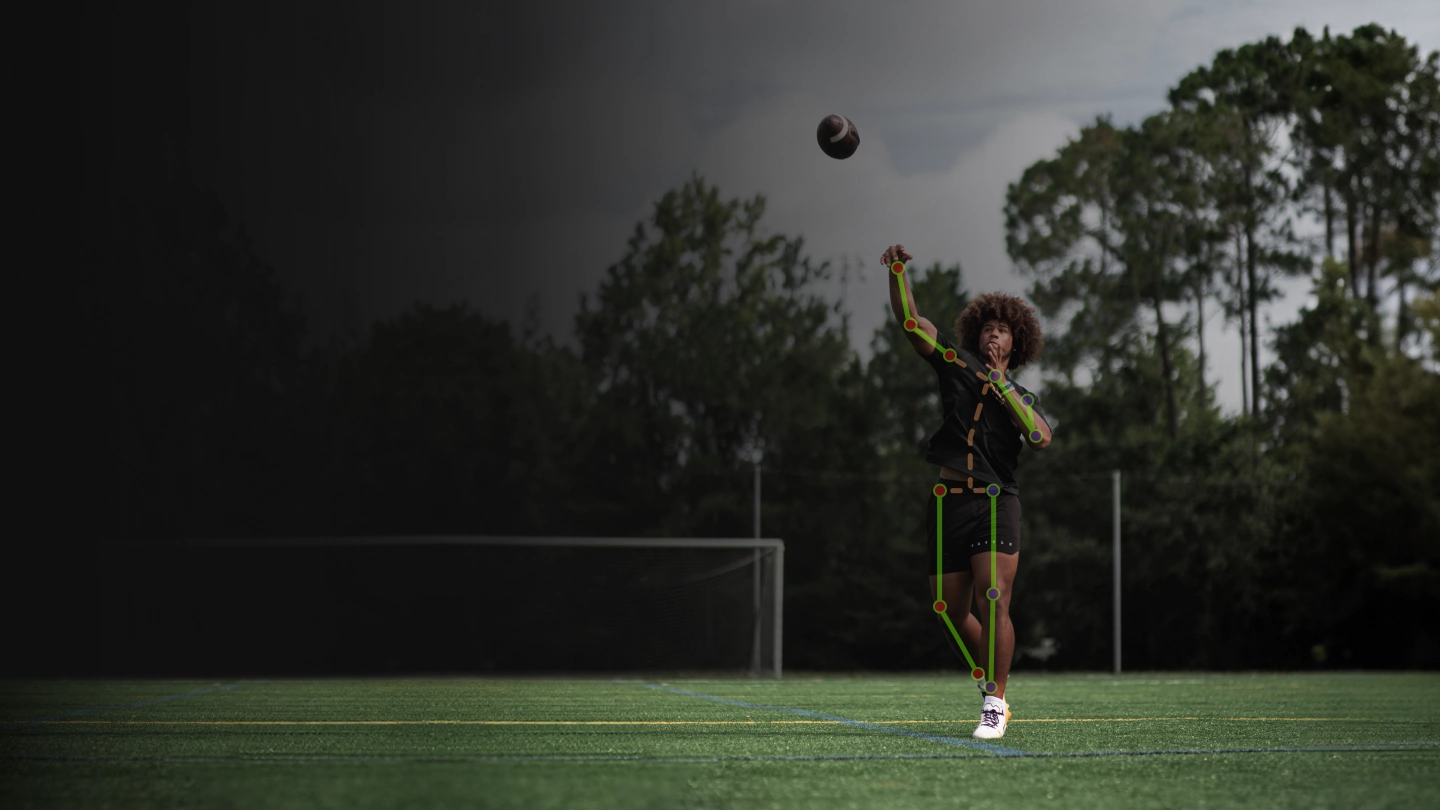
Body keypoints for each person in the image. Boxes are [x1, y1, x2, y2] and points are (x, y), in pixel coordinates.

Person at [881, 243, 1054, 740]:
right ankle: (991, 685)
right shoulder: (955, 363)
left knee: (993, 598)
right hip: (948, 504)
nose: (992, 332)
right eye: (987, 326)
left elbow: (1040, 438)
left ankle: (995, 703)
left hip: (998, 503)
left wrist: (1002, 384)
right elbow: (913, 323)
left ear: (1015, 343)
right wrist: (897, 273)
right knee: (948, 609)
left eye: (1002, 329)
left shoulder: (1021, 396)